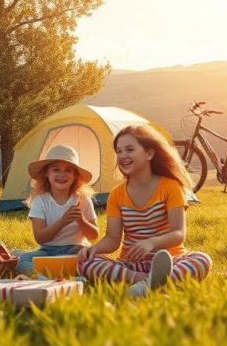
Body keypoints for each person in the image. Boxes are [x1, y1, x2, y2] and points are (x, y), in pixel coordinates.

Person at [78, 124, 211, 297]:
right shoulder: (117, 194)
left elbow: (178, 233)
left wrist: (151, 242)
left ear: (149, 153)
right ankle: (149, 281)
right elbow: (112, 239)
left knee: (202, 259)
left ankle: (147, 286)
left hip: (170, 260)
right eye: (119, 151)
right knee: (86, 263)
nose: (122, 156)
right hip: (133, 265)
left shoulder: (170, 187)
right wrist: (93, 249)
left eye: (129, 149)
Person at [14, 145, 99, 275]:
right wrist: (63, 221)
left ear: (75, 175)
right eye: (56, 169)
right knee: (20, 261)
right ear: (46, 173)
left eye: (68, 170)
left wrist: (81, 220)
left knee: (97, 260)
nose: (62, 175)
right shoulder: (40, 201)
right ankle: (46, 279)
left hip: (77, 250)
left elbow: (94, 235)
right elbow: (40, 238)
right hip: (48, 251)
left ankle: (58, 273)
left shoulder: (82, 199)